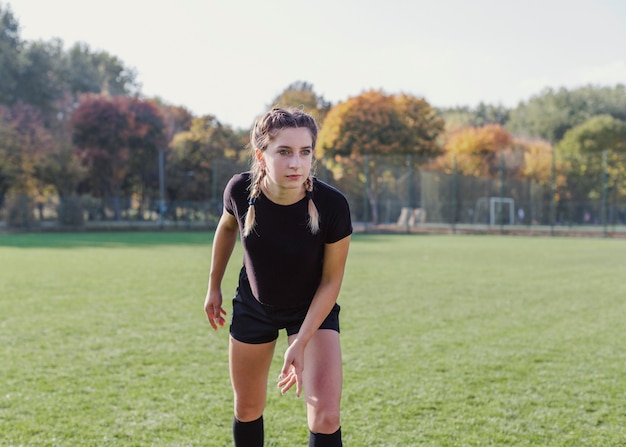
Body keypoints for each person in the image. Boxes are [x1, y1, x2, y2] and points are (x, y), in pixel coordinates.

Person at [204, 107, 352, 447]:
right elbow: (227, 227)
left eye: (305, 152)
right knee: (248, 408)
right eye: (284, 152)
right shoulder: (240, 190)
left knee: (326, 416)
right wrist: (213, 286)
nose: (296, 163)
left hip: (311, 308)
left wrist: (300, 342)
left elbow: (331, 282)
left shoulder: (333, 206)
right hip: (255, 306)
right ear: (262, 154)